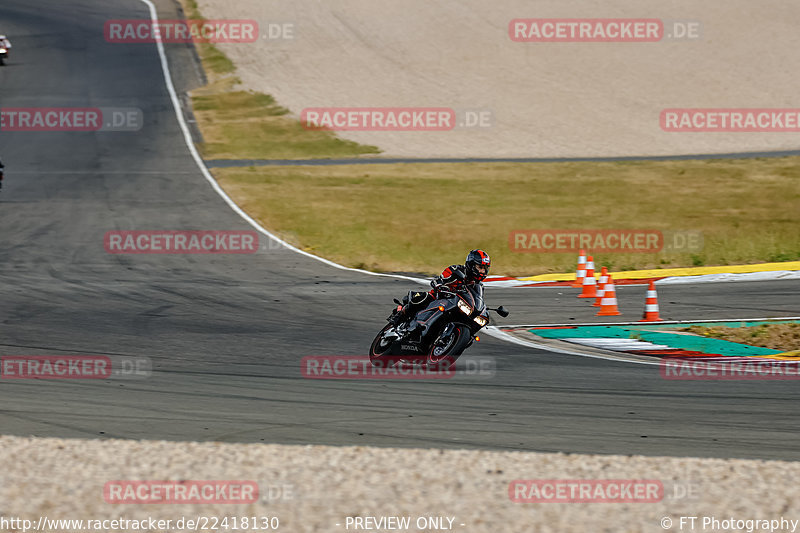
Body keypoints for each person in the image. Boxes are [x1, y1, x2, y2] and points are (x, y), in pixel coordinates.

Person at [389, 249, 492, 339]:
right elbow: (441, 279)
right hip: (439, 297)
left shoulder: (479, 286)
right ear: (471, 264)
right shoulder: (456, 270)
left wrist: (482, 310)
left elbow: (477, 300)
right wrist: (439, 285)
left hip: (457, 306)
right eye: (480, 267)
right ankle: (399, 316)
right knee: (422, 298)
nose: (482, 271)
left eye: (485, 268)